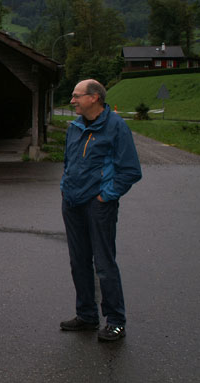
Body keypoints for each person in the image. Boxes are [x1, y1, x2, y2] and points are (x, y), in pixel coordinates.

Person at [60, 79, 142, 342]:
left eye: (76, 96)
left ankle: (116, 321)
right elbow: (68, 162)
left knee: (104, 264)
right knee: (78, 262)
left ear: (94, 97)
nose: (72, 100)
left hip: (98, 206)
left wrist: (105, 197)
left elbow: (130, 170)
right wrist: (66, 187)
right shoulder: (74, 127)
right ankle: (86, 315)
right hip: (72, 203)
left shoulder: (116, 127)